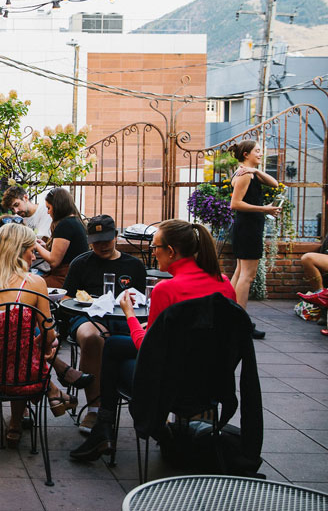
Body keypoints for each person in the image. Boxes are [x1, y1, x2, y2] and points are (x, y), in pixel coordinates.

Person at [70, 219, 236, 461]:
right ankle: (119, 429)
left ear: (170, 251)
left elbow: (146, 348)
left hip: (170, 384)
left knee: (114, 350)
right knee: (115, 344)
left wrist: (129, 315)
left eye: (155, 247)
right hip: (212, 380)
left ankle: (109, 427)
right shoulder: (224, 284)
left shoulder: (167, 290)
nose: (153, 253)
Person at [0, 223, 77, 447]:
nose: (34, 256)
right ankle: (23, 416)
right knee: (27, 357)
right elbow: (48, 333)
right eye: (32, 250)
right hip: (23, 378)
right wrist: (44, 348)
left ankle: (47, 399)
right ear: (18, 250)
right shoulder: (34, 283)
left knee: (16, 352)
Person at [59, 214, 147, 434]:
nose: (102, 245)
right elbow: (66, 299)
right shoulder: (81, 263)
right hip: (86, 317)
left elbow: (142, 301)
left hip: (123, 318)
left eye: (106, 240)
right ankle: (95, 409)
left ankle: (142, 403)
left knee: (124, 341)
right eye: (96, 241)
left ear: (116, 237)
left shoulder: (134, 265)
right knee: (93, 337)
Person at [228, 140, 281, 340]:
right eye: (257, 151)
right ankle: (241, 323)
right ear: (246, 154)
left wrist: (256, 171)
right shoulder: (244, 176)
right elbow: (236, 204)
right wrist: (265, 209)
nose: (260, 153)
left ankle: (232, 317)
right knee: (247, 276)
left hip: (247, 227)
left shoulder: (247, 173)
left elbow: (274, 183)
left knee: (240, 272)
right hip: (248, 228)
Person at [34, 187, 87, 288]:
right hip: (77, 277)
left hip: (65, 280)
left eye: (49, 208)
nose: (48, 212)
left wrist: (35, 245)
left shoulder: (65, 225)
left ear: (57, 207)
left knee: (29, 285)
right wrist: (44, 246)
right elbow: (68, 253)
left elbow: (54, 261)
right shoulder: (75, 221)